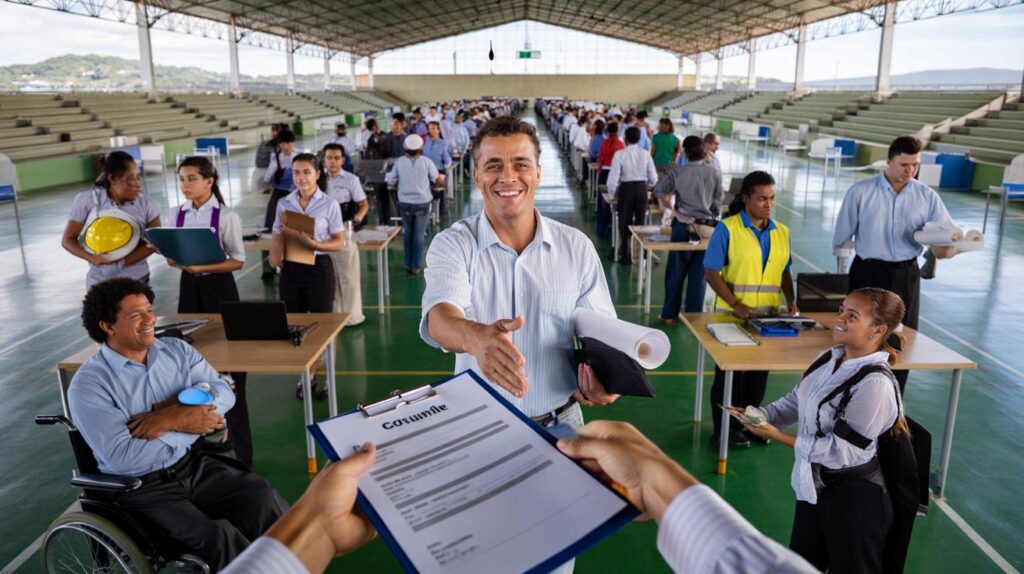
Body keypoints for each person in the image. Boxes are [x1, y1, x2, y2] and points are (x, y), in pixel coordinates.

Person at [221, 421, 817, 574]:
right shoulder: (457, 243)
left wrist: (316, 528)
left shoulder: (573, 247)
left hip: (561, 444)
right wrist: (657, 476)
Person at [421, 114, 620, 442]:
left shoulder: (575, 247)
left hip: (563, 424)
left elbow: (602, 332)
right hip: (479, 425)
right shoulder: (454, 243)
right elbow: (439, 318)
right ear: (477, 176)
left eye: (521, 164)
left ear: (539, 173)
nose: (507, 177)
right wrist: (475, 338)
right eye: (494, 165)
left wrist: (606, 376)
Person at [68, 278, 288, 572]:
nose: (150, 319)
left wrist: (167, 418)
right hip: (142, 489)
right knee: (217, 537)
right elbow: (123, 457)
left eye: (149, 309)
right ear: (107, 326)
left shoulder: (176, 351)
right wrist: (185, 420)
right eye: (135, 315)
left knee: (260, 496)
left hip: (192, 466)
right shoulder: (90, 385)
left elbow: (224, 392)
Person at [736, 288, 911, 574]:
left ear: (877, 330)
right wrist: (764, 415)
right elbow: (798, 399)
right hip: (813, 489)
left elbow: (842, 451)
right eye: (841, 309)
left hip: (855, 501)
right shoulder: (830, 358)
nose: (839, 318)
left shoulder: (874, 386)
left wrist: (775, 434)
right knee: (801, 566)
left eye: (851, 315)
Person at [832, 135, 956, 393]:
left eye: (915, 165)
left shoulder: (927, 196)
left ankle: (892, 400)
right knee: (860, 335)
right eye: (903, 164)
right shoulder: (861, 191)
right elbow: (842, 237)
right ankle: (850, 394)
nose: (910, 170)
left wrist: (949, 247)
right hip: (867, 271)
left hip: (905, 272)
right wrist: (841, 273)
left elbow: (945, 235)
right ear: (888, 161)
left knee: (901, 339)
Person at [164, 156, 252, 467]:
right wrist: (174, 259)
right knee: (188, 364)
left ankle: (243, 452)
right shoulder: (176, 214)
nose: (185, 185)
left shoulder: (225, 216)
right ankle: (198, 447)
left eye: (190, 179)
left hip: (220, 290)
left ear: (209, 182)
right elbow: (172, 257)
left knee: (233, 369)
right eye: (182, 179)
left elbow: (237, 260)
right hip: (190, 289)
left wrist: (201, 266)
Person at [704, 170, 798, 447]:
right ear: (746, 199)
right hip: (730, 317)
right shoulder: (728, 229)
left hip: (768, 318)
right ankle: (724, 432)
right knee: (730, 377)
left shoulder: (781, 232)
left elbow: (785, 271)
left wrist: (791, 299)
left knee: (757, 379)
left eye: (772, 198)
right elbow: (711, 272)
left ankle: (750, 428)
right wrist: (736, 304)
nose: (768, 204)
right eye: (761, 199)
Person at [62, 151, 161, 290]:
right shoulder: (88, 201)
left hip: (137, 280)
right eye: (131, 179)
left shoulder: (147, 204)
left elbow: (155, 242)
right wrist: (92, 258)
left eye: (138, 177)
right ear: (113, 179)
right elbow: (68, 239)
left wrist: (120, 264)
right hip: (100, 283)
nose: (138, 184)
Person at [654, 136, 723, 324]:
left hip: (683, 227)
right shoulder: (714, 172)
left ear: (685, 153)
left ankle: (669, 315)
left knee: (675, 272)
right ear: (704, 152)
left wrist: (670, 204)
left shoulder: (678, 172)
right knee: (699, 274)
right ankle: (693, 317)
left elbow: (659, 190)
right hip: (707, 230)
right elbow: (718, 203)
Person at [321, 144, 367, 326]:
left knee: (348, 276)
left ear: (343, 160)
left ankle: (353, 316)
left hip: (344, 231)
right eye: (329, 158)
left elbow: (363, 204)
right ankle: (336, 315)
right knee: (329, 276)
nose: (332, 162)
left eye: (336, 158)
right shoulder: (318, 180)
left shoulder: (351, 180)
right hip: (322, 234)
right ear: (323, 160)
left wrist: (355, 220)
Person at [385, 134, 442, 274]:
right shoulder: (427, 162)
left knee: (408, 233)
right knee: (418, 234)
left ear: (405, 148)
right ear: (420, 148)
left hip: (405, 203)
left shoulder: (399, 162)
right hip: (422, 203)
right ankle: (416, 265)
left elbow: (391, 180)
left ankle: (408, 263)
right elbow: (436, 179)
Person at [607, 126, 658, 265]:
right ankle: (641, 253)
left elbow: (613, 180)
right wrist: (647, 188)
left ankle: (625, 255)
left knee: (624, 222)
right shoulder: (646, 154)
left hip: (626, 189)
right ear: (639, 138)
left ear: (626, 139)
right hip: (641, 189)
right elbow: (653, 177)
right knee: (640, 224)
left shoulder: (619, 154)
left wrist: (612, 195)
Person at [262, 129, 298, 279]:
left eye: (288, 143)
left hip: (295, 196)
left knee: (295, 230)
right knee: (269, 229)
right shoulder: (275, 158)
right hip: (278, 195)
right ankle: (268, 268)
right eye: (282, 143)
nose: (285, 146)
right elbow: (266, 179)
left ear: (293, 143)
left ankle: (295, 264)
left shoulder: (299, 157)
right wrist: (274, 169)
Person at [422, 121, 452, 216]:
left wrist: (443, 173)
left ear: (439, 130)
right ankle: (427, 211)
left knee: (440, 193)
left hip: (438, 172)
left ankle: (442, 212)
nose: (432, 131)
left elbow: (448, 161)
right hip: (425, 172)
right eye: (430, 128)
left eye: (434, 128)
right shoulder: (425, 143)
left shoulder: (443, 143)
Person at [253, 123, 283, 193]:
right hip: (265, 169)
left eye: (275, 130)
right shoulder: (268, 144)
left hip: (262, 170)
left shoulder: (267, 143)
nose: (273, 133)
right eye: (273, 131)